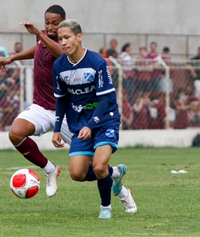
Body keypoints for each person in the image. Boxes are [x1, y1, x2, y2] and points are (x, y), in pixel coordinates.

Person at [52, 19, 137, 219]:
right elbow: (62, 100)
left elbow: (107, 98)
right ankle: (115, 174)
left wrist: (91, 125)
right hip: (81, 124)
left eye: (67, 37)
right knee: (77, 174)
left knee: (99, 166)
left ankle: (106, 207)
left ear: (79, 37)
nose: (63, 42)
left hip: (105, 119)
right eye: (60, 39)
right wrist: (57, 128)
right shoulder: (59, 66)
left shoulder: (97, 62)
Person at [0, 5, 71, 197]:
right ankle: (50, 169)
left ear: (63, 22)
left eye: (55, 23)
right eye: (47, 23)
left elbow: (60, 54)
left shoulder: (67, 40)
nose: (51, 26)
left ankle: (117, 182)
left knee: (91, 165)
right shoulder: (43, 36)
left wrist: (39, 32)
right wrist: (12, 58)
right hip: (41, 106)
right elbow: (38, 48)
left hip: (66, 110)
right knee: (16, 134)